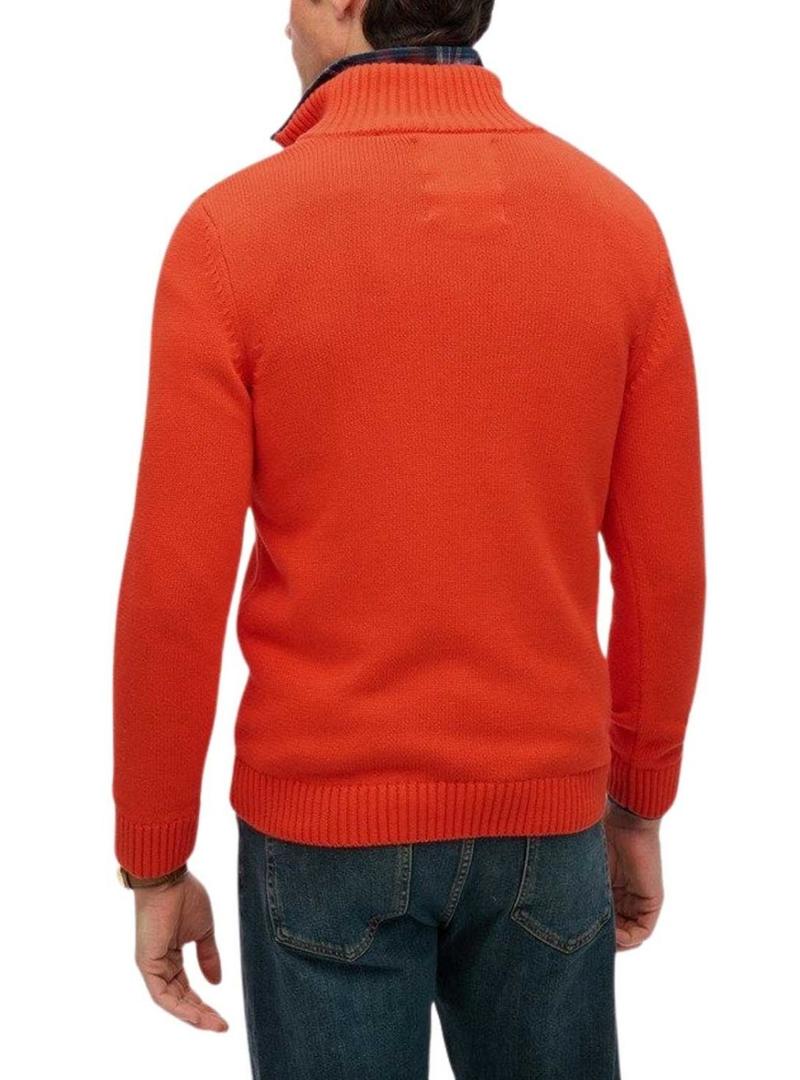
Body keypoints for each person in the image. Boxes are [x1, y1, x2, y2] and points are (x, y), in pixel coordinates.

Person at [112, 2, 706, 1077]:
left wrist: (155, 862)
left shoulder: (231, 235)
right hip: (546, 817)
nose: (279, 22)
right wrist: (637, 802)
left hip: (321, 826)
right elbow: (666, 571)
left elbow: (173, 591)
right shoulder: (615, 224)